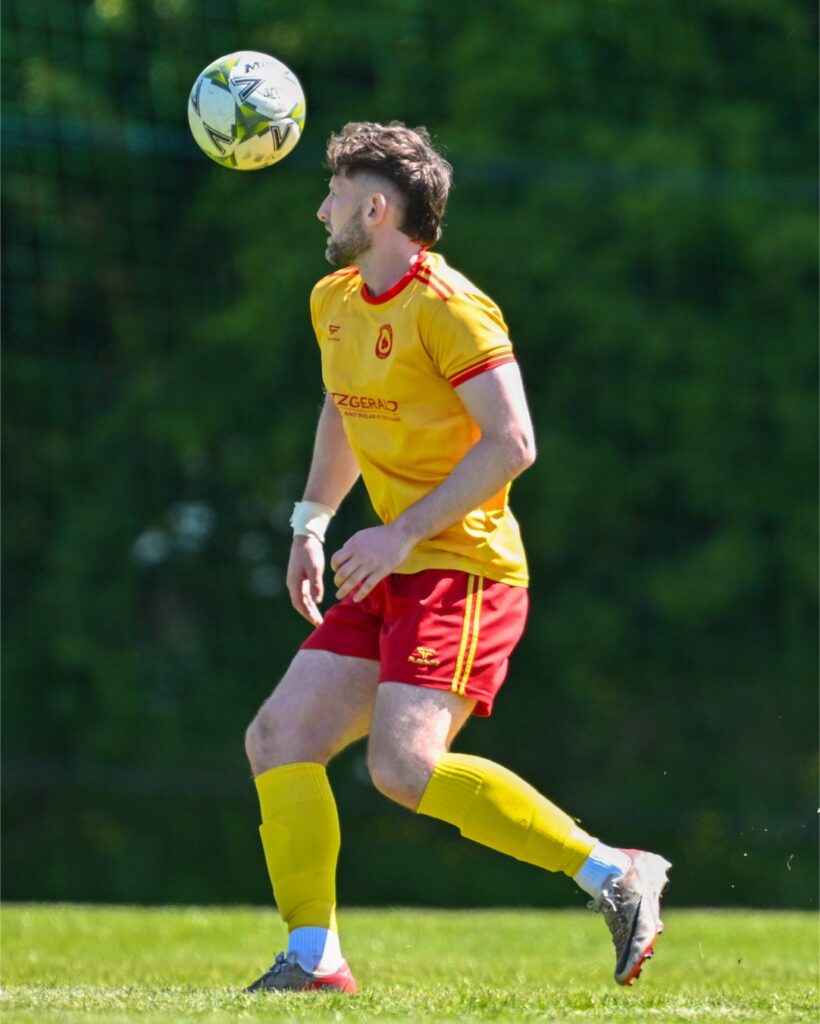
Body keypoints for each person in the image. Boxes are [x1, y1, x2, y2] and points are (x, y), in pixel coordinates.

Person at [244, 121, 670, 995]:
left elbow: (513, 441)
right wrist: (311, 521)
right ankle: (313, 958)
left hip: (463, 568)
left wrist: (400, 533)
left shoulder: (449, 305)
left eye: (335, 192)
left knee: (403, 769)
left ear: (377, 207)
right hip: (387, 567)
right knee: (279, 736)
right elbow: (342, 407)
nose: (321, 207)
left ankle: (614, 870)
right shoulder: (333, 299)